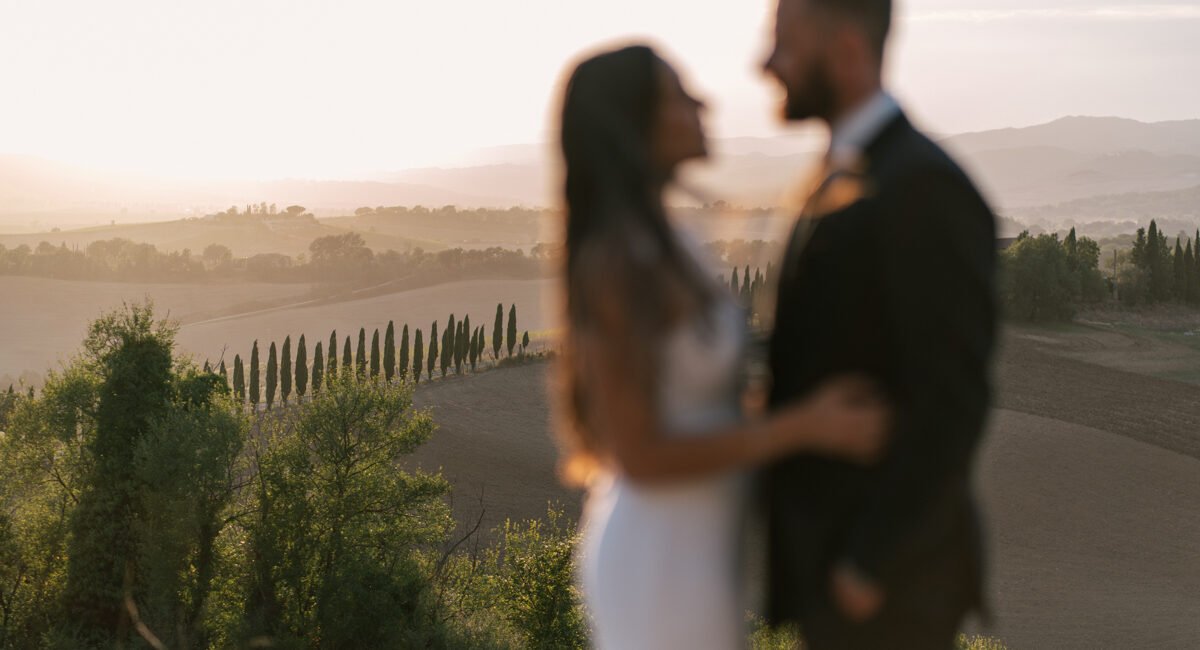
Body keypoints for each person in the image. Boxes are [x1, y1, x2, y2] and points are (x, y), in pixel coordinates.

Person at [555, 44, 891, 650]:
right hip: (660, 555)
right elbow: (640, 453)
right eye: (679, 95)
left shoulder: (669, 243)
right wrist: (803, 427)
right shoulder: (619, 264)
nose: (702, 103)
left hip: (702, 542)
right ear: (638, 125)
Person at [760, 0, 998, 648]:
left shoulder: (922, 186)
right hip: (841, 582)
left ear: (845, 48)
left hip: (889, 595)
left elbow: (954, 401)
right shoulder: (850, 173)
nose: (766, 64)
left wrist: (865, 566)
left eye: (784, 42)